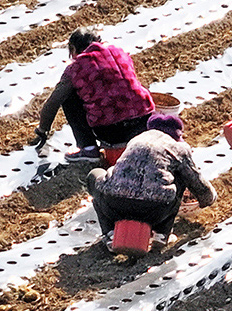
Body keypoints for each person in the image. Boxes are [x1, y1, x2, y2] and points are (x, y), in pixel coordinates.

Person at [85, 114, 216, 250]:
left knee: (95, 176)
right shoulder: (179, 148)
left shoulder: (135, 141)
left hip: (114, 207)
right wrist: (208, 199)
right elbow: (195, 180)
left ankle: (110, 234)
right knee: (181, 175)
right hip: (155, 211)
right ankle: (161, 234)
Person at [29, 27, 155, 163]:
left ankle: (88, 148)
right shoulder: (119, 53)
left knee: (69, 97)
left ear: (73, 50)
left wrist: (43, 130)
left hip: (112, 132)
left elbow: (53, 103)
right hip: (144, 122)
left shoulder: (76, 68)